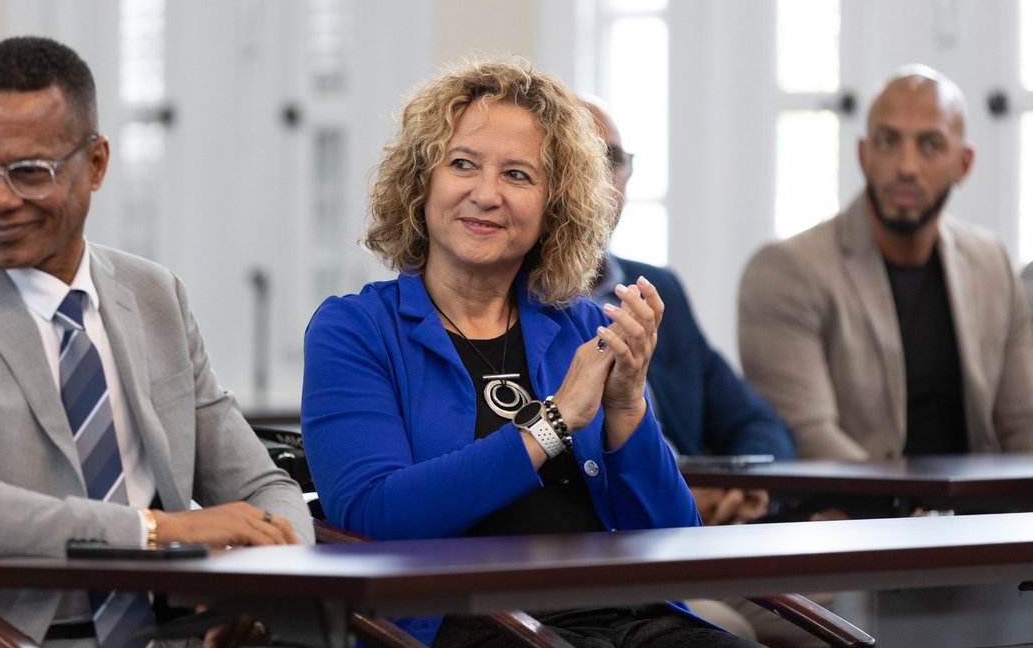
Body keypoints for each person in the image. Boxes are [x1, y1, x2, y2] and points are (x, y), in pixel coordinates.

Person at [0, 36, 313, 648]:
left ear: (96, 164)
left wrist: (269, 584)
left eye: (29, 172)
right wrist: (156, 530)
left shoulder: (153, 295)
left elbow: (258, 487)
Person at [302, 59, 759, 648]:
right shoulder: (355, 329)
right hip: (469, 624)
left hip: (629, 620)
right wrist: (550, 424)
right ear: (422, 183)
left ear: (553, 207)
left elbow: (677, 544)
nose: (485, 194)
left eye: (518, 175)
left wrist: (626, 410)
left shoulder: (587, 324)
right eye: (462, 164)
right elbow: (373, 516)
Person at [585, 98, 808, 645]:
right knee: (725, 628)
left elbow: (754, 419)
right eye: (582, 157)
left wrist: (748, 490)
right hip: (628, 545)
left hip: (702, 531)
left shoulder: (656, 287)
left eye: (612, 158)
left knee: (849, 596)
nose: (600, 174)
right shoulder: (534, 305)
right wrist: (685, 490)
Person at [739, 64, 1033, 465]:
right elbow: (809, 434)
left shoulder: (990, 261)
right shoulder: (785, 271)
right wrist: (907, 512)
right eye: (888, 141)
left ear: (963, 164)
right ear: (863, 155)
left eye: (930, 145)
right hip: (854, 519)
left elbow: (1022, 426)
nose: (907, 166)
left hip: (978, 518)